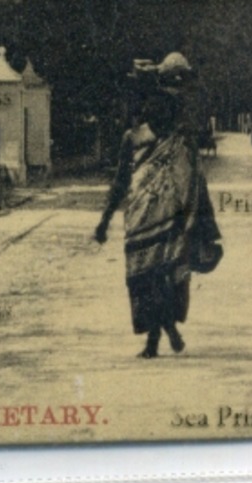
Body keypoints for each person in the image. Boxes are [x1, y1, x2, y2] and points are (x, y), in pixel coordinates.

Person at [94, 53, 223, 358]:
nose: (155, 108)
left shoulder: (178, 140)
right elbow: (121, 182)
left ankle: (156, 338)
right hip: (148, 214)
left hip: (155, 214)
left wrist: (104, 220)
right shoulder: (153, 139)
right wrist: (104, 219)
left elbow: (191, 182)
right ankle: (167, 330)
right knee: (155, 275)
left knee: (157, 275)